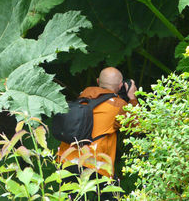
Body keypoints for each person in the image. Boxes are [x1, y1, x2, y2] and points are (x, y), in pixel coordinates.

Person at [57, 67, 138, 199]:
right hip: (95, 164)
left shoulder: (82, 98)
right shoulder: (118, 106)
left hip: (67, 159)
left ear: (97, 81)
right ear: (120, 85)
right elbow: (138, 126)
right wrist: (132, 98)